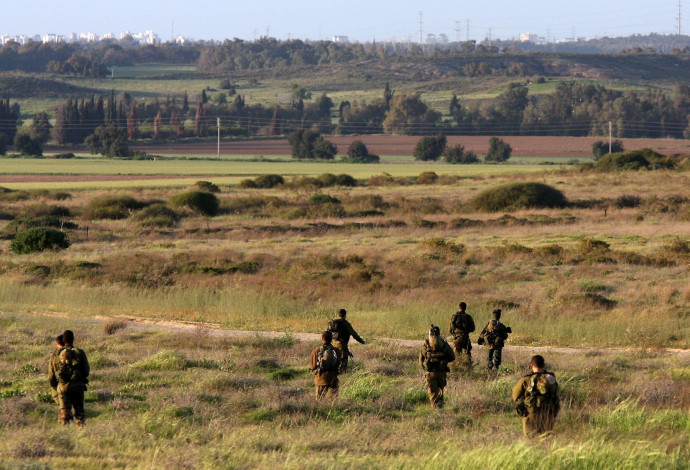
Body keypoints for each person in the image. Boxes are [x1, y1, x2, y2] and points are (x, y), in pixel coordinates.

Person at [49, 330, 90, 427]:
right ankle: (81, 433)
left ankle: (65, 434)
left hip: (62, 387)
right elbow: (86, 370)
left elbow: (51, 376)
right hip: (78, 387)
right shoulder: (79, 352)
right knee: (79, 414)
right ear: (73, 339)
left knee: (64, 415)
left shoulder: (56, 355)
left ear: (63, 340)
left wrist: (55, 389)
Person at [512, 355, 560, 437]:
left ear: (531, 365)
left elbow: (515, 396)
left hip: (531, 414)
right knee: (546, 439)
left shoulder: (525, 380)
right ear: (544, 365)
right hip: (548, 413)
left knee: (530, 440)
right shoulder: (551, 379)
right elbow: (556, 393)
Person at [419, 325, 455, 408]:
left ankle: (436, 412)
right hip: (442, 372)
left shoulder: (427, 345)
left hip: (431, 373)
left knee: (432, 393)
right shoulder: (443, 344)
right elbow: (452, 356)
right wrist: (444, 360)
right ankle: (440, 407)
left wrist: (425, 367)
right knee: (440, 391)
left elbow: (421, 360)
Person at [327, 308, 365, 373]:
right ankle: (342, 373)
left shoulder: (334, 322)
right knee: (343, 361)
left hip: (333, 343)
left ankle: (333, 372)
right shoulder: (346, 323)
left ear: (338, 314)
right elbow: (354, 334)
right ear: (345, 315)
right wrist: (362, 341)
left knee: (334, 359)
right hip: (341, 344)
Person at [309, 330, 342, 401]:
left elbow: (313, 366)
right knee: (333, 401)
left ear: (322, 338)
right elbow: (339, 363)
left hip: (321, 378)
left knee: (319, 401)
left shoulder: (317, 350)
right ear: (331, 339)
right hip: (333, 378)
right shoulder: (336, 350)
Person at [448, 302, 475, 367]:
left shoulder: (453, 317)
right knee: (467, 355)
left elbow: (450, 330)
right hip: (466, 339)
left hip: (457, 339)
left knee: (457, 355)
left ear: (459, 308)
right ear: (465, 308)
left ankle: (456, 368)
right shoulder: (468, 317)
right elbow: (473, 328)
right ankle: (468, 368)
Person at [48, 334, 65, 404]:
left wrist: (52, 385)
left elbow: (51, 375)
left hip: (61, 385)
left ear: (58, 343)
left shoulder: (55, 355)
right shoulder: (75, 352)